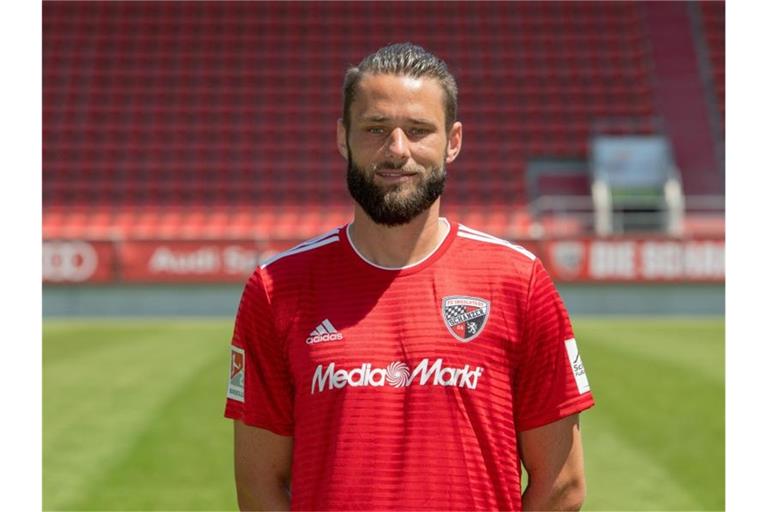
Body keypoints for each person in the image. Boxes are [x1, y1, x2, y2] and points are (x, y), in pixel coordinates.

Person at [224, 42, 595, 511]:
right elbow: (259, 487)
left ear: (453, 141)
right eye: (376, 128)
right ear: (343, 137)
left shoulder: (518, 281)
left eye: (418, 130)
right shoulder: (277, 288)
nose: (397, 150)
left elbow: (562, 485)